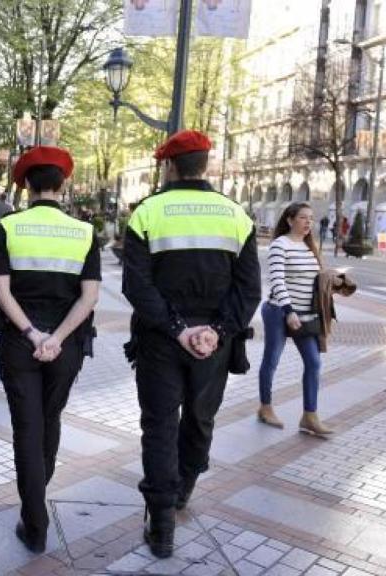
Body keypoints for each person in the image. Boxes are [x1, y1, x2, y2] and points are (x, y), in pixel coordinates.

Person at [122, 131, 261, 558]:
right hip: (213, 344)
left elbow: (136, 285)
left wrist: (177, 327)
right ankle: (183, 489)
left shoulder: (147, 212)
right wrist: (217, 331)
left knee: (160, 423)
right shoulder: (236, 215)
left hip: (161, 337)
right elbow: (250, 288)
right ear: (206, 166)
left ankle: (162, 523)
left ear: (169, 166)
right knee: (201, 419)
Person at [0, 146, 100, 553]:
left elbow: (1, 291)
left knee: (27, 427)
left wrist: (34, 334)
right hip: (65, 346)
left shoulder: (10, 227)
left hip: (20, 343)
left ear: (26, 185)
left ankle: (34, 521)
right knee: (50, 419)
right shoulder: (85, 231)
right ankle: (36, 500)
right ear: (62, 183)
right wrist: (56, 338)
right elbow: (89, 298)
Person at [256, 203, 330, 435]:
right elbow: (277, 280)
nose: (308, 223)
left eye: (311, 218)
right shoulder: (280, 245)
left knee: (314, 362)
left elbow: (313, 281)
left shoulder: (310, 247)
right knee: (272, 360)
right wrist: (289, 311)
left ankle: (309, 416)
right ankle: (265, 407)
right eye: (303, 218)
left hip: (306, 316)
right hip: (280, 311)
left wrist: (333, 281)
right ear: (289, 220)